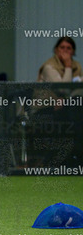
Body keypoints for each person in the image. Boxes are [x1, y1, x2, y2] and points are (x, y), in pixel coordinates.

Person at [32, 37, 83, 165]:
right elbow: (63, 88)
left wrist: (67, 100)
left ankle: (74, 158)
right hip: (45, 109)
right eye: (62, 47)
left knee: (77, 109)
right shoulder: (49, 67)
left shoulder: (77, 67)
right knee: (72, 117)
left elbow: (79, 90)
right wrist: (68, 66)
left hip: (66, 107)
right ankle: (58, 160)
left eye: (69, 48)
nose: (65, 51)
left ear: (73, 52)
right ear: (56, 50)